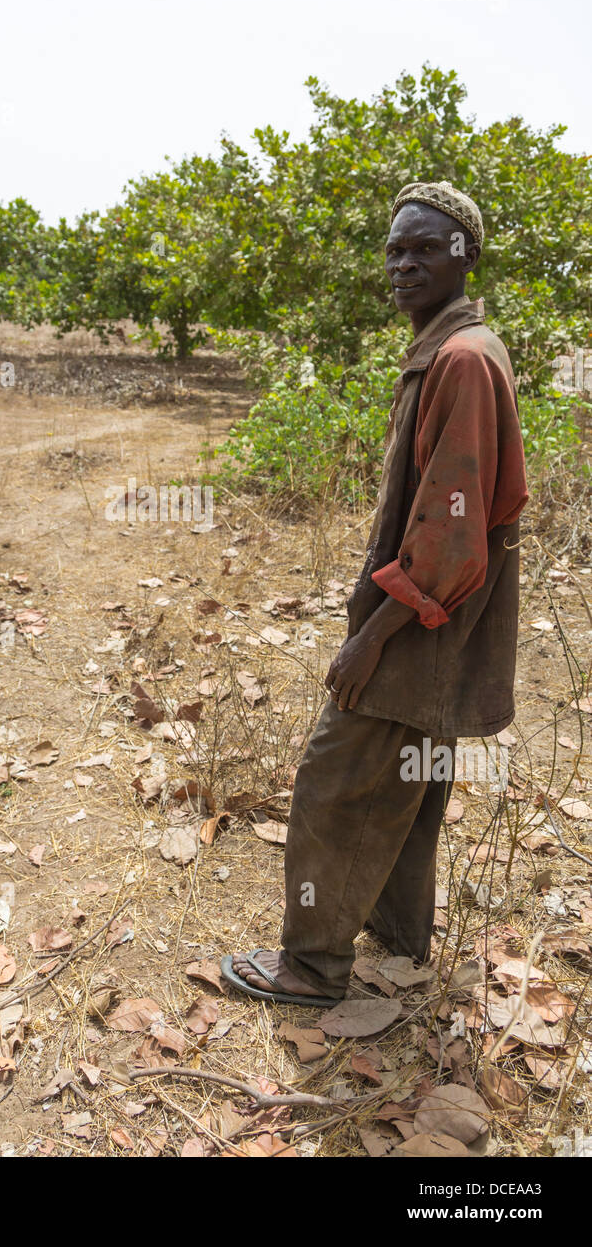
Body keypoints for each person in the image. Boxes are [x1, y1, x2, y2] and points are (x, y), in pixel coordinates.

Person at [221, 181, 529, 1006]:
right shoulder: (452, 349)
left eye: (425, 247)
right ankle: (397, 943)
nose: (402, 264)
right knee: (411, 787)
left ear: (466, 255)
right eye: (394, 248)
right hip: (439, 627)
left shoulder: (462, 359)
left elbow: (450, 537)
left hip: (422, 627)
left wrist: (374, 636)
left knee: (336, 783)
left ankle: (312, 967)